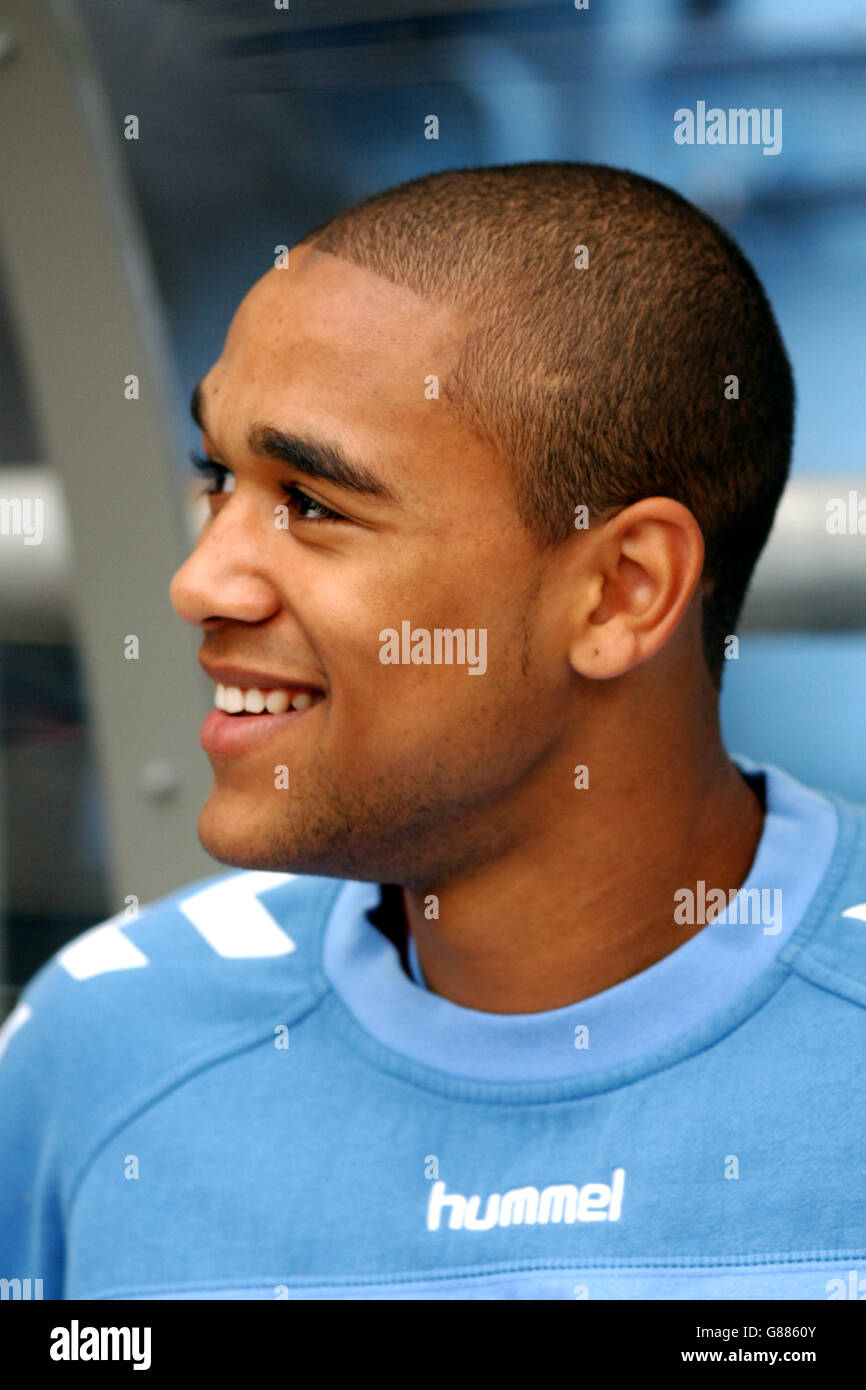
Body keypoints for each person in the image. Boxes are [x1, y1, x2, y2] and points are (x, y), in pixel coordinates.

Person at [2, 162, 864, 1301]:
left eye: (312, 503)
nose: (200, 579)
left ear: (619, 593)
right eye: (219, 474)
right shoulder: (103, 1043)